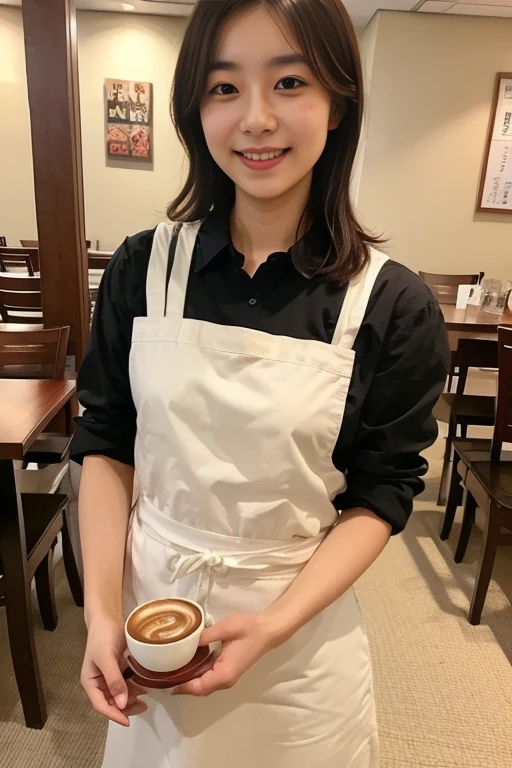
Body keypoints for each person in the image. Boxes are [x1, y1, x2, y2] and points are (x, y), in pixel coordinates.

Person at [70, 1, 450, 766]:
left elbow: (381, 494)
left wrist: (272, 627)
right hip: (155, 631)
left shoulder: (392, 304)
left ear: (336, 101)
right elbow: (106, 445)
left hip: (296, 644)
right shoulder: (143, 269)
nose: (256, 119)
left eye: (289, 83)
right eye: (224, 88)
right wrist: (102, 614)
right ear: (195, 108)